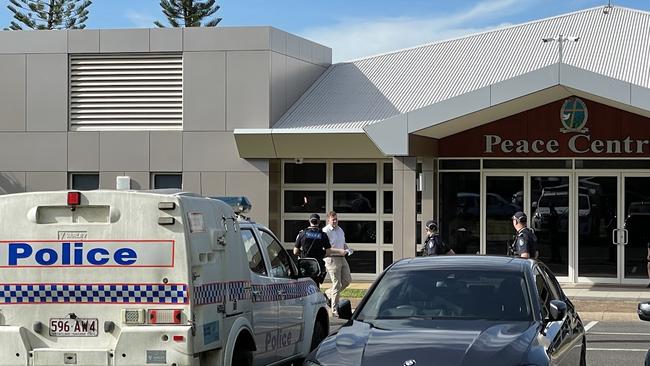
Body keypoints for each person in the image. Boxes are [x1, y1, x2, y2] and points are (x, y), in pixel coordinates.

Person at [294, 213, 347, 288]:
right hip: (317, 265)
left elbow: (295, 251)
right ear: (319, 222)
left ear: (309, 221)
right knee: (316, 286)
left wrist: (303, 254)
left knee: (304, 286)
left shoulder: (302, 234)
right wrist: (320, 255)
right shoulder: (323, 235)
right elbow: (328, 252)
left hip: (304, 265)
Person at [322, 211, 353, 315]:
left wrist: (347, 249)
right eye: (333, 219)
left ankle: (328, 293)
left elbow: (342, 243)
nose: (335, 221)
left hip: (342, 257)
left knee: (347, 280)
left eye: (336, 219)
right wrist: (340, 251)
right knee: (336, 284)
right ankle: (334, 310)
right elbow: (326, 249)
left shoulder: (340, 230)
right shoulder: (325, 231)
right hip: (332, 259)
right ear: (328, 220)